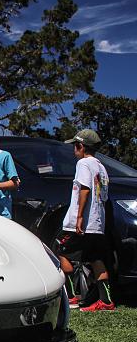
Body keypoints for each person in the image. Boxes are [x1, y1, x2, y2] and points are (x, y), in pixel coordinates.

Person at [57, 129, 114, 312]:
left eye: (75, 145)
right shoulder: (101, 167)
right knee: (96, 258)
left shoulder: (83, 164)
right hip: (97, 224)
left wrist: (79, 216)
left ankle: (72, 297)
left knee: (61, 252)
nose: (74, 149)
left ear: (81, 146)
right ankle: (106, 302)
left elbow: (85, 189)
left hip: (81, 223)